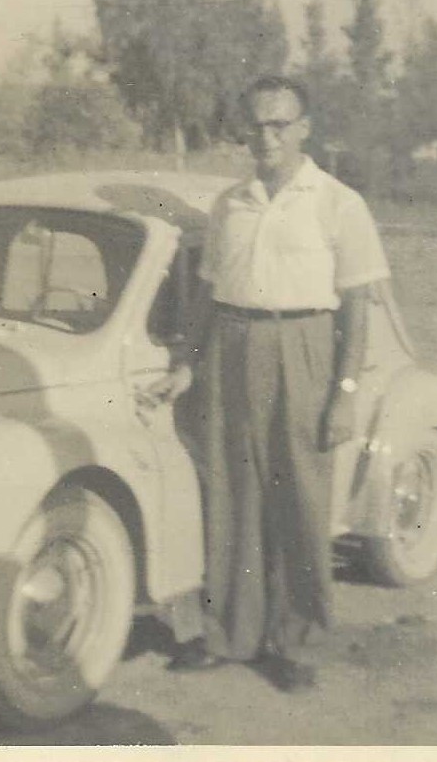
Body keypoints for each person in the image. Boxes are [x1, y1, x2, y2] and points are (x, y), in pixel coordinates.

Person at [150, 75, 392, 692]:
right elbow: (207, 296)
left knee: (299, 497)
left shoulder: (340, 203)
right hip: (233, 346)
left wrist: (343, 394)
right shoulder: (230, 203)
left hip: (304, 345)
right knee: (233, 494)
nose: (267, 136)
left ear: (304, 129)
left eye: (280, 124)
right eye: (257, 124)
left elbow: (358, 309)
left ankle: (296, 641)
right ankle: (229, 634)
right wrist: (188, 364)